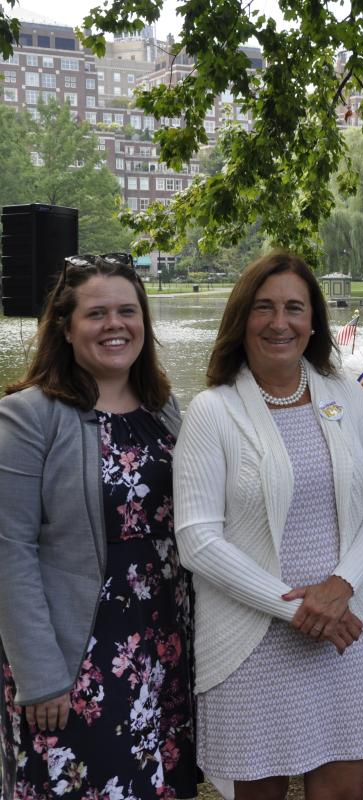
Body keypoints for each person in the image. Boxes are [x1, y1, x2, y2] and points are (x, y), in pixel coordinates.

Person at [172, 251, 363, 800]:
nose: (280, 323)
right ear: (240, 319)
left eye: (295, 308)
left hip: (347, 631)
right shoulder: (212, 411)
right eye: (264, 308)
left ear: (314, 321)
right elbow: (198, 539)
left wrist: (340, 586)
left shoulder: (344, 393)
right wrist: (299, 606)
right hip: (249, 643)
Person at [0, 254, 196, 800]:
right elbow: (8, 550)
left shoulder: (164, 409)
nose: (115, 325)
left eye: (127, 311)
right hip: (75, 657)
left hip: (162, 647)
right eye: (96, 314)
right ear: (65, 328)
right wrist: (39, 676)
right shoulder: (28, 416)